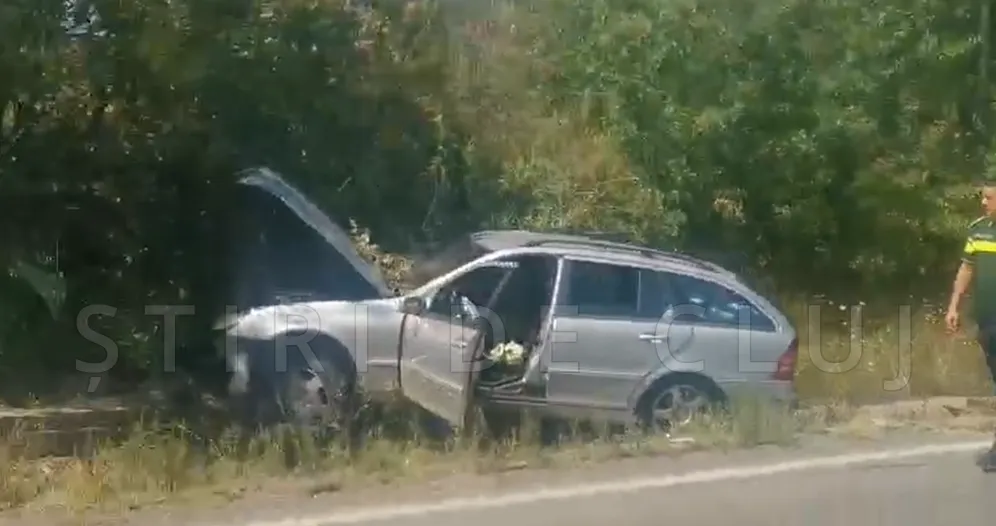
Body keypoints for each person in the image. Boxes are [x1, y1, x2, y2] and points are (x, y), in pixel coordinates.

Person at [945, 180, 996, 472]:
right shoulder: (978, 229)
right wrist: (954, 306)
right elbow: (967, 267)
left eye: (989, 197)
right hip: (987, 319)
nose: (983, 202)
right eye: (983, 197)